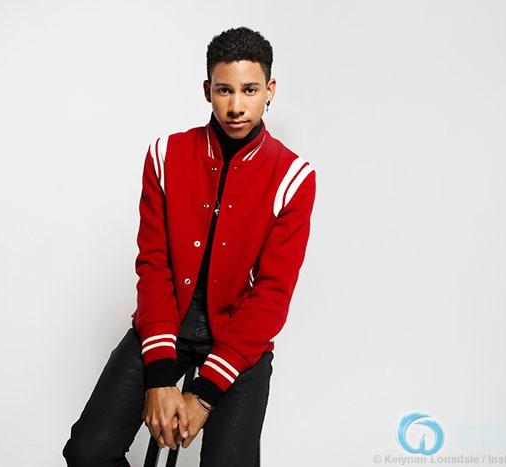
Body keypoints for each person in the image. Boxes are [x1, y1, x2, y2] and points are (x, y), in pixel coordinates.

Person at [62, 26, 317, 466]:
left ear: (270, 90)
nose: (236, 106)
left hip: (240, 336)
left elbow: (273, 294)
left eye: (250, 90)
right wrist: (160, 376)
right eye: (224, 90)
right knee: (88, 451)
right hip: (166, 321)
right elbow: (154, 264)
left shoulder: (294, 177)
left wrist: (203, 394)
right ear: (207, 90)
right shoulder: (166, 155)